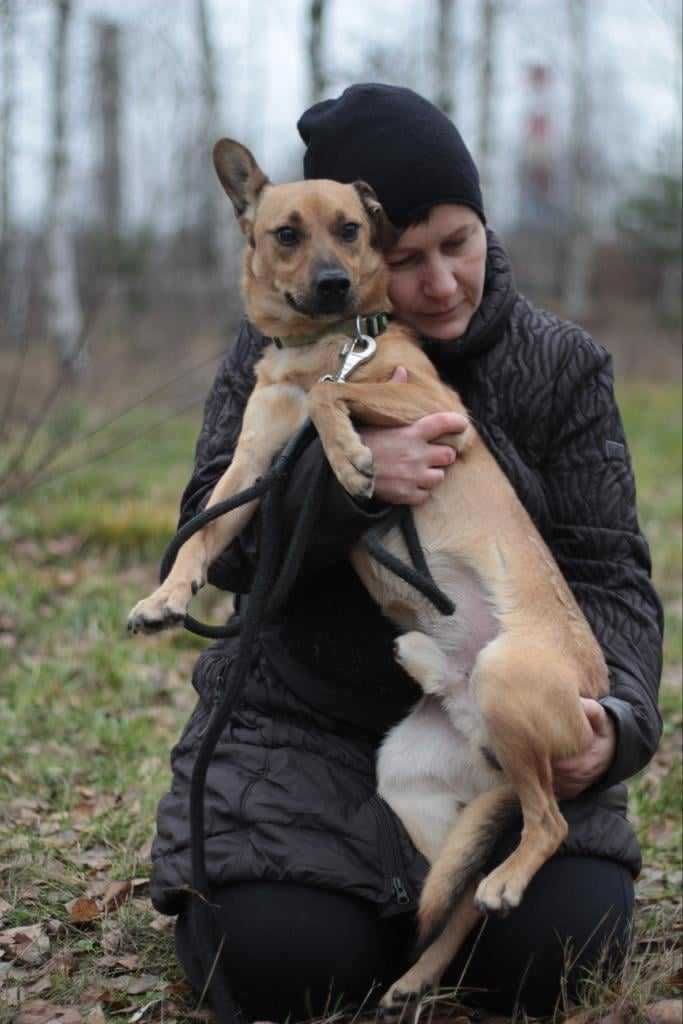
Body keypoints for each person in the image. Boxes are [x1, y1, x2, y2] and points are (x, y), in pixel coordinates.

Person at [149, 84, 663, 1020]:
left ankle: (439, 911)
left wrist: (618, 719)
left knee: (555, 956)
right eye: (407, 256)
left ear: (483, 226)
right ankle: (321, 910)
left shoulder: (561, 363)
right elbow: (211, 549)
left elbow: (610, 576)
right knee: (282, 967)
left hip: (502, 714)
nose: (436, 284)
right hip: (305, 728)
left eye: (457, 246)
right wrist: (340, 484)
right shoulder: (280, 343)